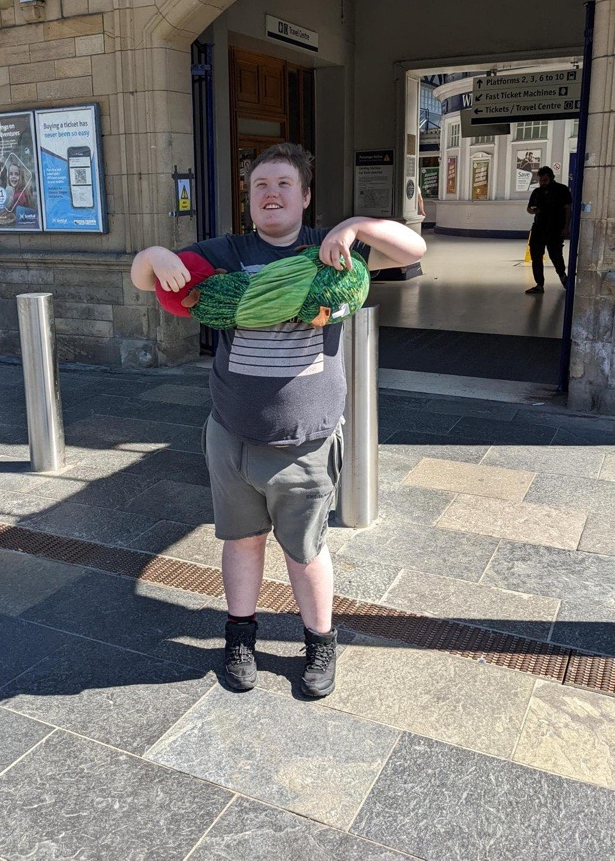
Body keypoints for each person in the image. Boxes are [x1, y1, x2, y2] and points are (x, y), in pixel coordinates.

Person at [130, 143, 425, 699]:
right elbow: (147, 278)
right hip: (232, 432)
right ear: (247, 198)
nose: (271, 194)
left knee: (305, 549)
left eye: (284, 184)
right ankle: (240, 635)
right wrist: (153, 254)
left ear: (305, 195)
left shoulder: (328, 250)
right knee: (241, 541)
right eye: (260, 185)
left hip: (305, 439)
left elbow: (414, 247)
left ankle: (320, 641)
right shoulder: (225, 254)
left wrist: (355, 225)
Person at [525, 165, 572, 294]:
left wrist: (566, 227)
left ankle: (563, 277)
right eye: (540, 180)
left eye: (545, 180)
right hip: (539, 228)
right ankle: (539, 284)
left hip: (555, 228)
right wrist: (533, 211)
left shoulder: (562, 190)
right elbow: (529, 208)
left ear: (551, 178)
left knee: (555, 255)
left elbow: (568, 209)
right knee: (536, 256)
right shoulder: (537, 192)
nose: (542, 183)